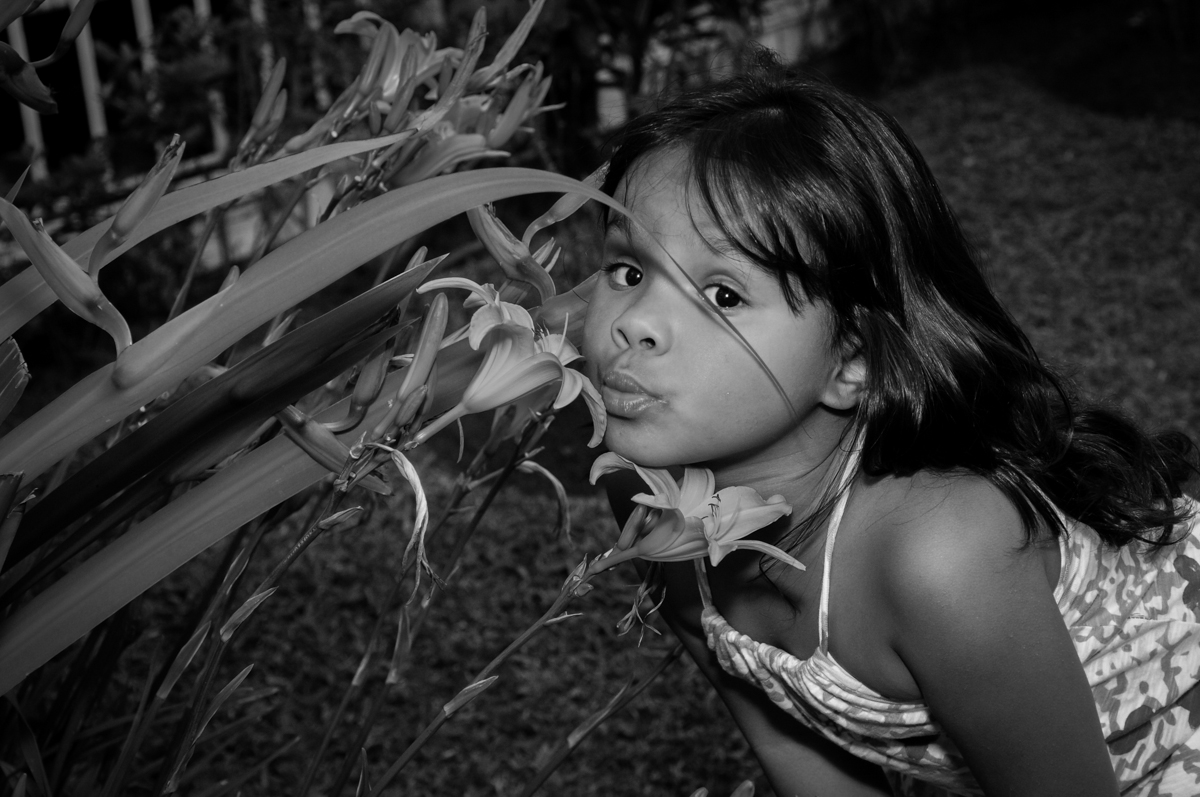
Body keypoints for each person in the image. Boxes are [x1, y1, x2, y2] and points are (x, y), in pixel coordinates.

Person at [580, 51, 1200, 797]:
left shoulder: (941, 553)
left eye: (723, 294)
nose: (637, 322)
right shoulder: (651, 506)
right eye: (629, 271)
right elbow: (790, 746)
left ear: (853, 361)